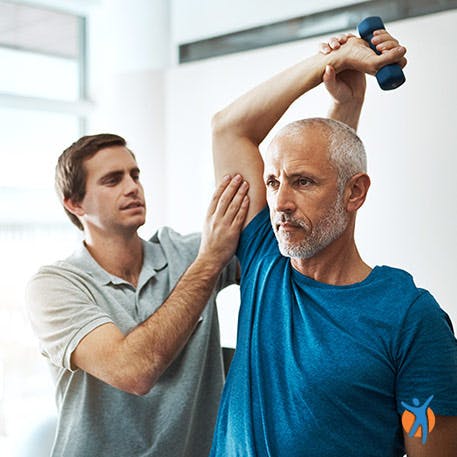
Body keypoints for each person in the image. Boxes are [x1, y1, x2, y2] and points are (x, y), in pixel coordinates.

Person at [209, 31, 457, 456]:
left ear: (356, 193)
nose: (281, 203)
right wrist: (331, 63)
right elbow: (228, 128)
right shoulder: (265, 261)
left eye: (302, 182)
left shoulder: (411, 318)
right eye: (272, 182)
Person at [25, 133, 250, 456]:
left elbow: (283, 250)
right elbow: (134, 371)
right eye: (112, 180)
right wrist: (210, 261)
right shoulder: (54, 286)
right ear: (74, 203)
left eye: (135, 175)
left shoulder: (188, 254)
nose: (132, 187)